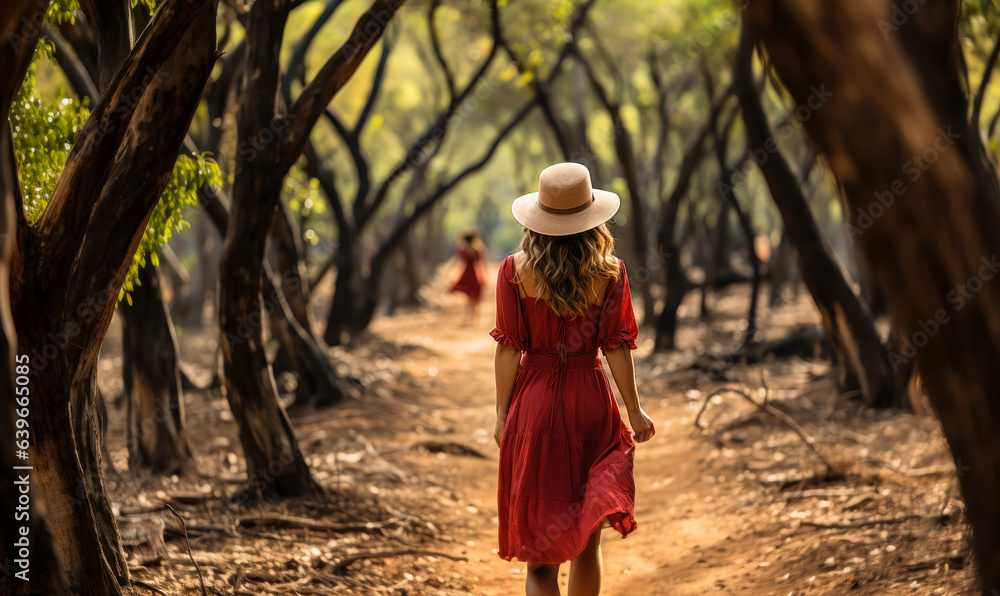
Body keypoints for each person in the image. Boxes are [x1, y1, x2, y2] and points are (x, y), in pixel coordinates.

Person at [491, 162, 656, 596]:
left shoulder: (513, 271)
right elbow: (615, 346)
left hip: (534, 405)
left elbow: (509, 348)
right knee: (586, 544)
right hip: (591, 403)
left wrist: (501, 414)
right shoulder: (611, 272)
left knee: (540, 560)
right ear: (592, 219)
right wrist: (634, 410)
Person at [449, 229, 487, 326]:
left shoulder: (463, 250)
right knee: (475, 297)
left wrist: (449, 271)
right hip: (475, 274)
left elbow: (457, 261)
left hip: (466, 274)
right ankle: (475, 318)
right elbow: (483, 263)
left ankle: (467, 319)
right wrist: (485, 274)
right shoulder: (478, 249)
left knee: (468, 298)